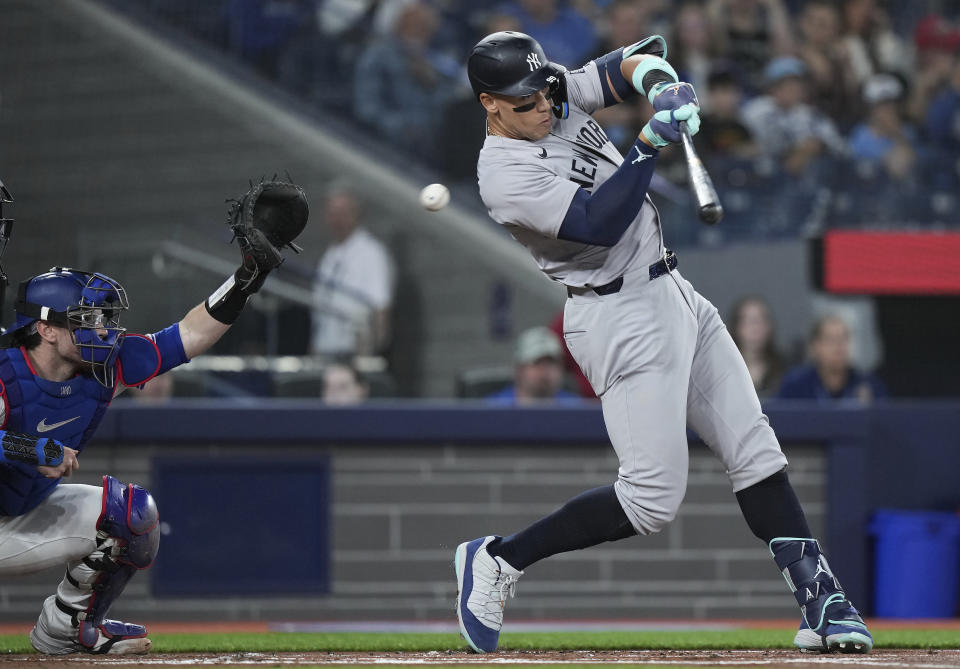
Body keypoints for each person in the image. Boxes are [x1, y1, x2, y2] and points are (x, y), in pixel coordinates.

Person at [455, 31, 873, 655]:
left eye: (544, 90)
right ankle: (499, 560)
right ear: (491, 104)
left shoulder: (552, 92)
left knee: (755, 452)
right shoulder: (503, 175)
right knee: (651, 499)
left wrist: (661, 85)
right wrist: (651, 140)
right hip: (615, 312)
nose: (544, 105)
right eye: (524, 101)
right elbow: (597, 225)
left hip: (673, 289)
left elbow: (627, 63)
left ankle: (823, 602)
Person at [0, 179, 306, 655]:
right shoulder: (5, 370)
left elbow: (186, 336)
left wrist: (247, 276)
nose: (103, 329)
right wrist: (28, 448)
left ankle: (65, 626)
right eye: (87, 320)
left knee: (132, 515)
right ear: (46, 330)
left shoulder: (103, 367)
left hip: (16, 515)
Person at [311, 184, 395, 358]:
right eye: (332, 212)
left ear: (356, 213)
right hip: (326, 347)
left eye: (342, 212)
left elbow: (381, 306)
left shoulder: (371, 252)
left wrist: (373, 355)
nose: (336, 219)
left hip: (355, 352)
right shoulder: (330, 255)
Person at [741, 57, 845, 176]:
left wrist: (817, 146)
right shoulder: (754, 112)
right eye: (785, 83)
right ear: (772, 87)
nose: (793, 88)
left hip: (806, 180)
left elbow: (840, 149)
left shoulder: (812, 116)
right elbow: (741, 147)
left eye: (797, 83)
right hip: (763, 176)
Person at [778, 314, 886, 403]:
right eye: (830, 340)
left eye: (844, 338)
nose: (838, 346)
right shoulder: (795, 385)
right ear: (816, 346)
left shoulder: (868, 385)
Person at [486, 326, 580, 405]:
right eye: (537, 363)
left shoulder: (577, 409)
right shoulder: (493, 408)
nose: (545, 370)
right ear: (519, 369)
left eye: (551, 363)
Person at [728, 295, 785, 398]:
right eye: (748, 321)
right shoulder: (722, 369)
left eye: (760, 321)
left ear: (769, 327)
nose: (754, 328)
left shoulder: (785, 370)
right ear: (736, 327)